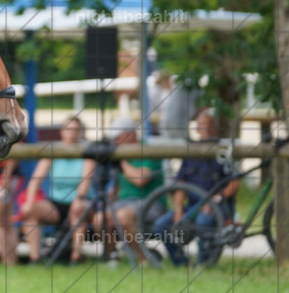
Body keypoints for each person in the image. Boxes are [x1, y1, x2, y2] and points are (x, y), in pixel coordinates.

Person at [152, 109, 238, 266]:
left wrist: (215, 200)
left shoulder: (223, 152)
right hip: (192, 206)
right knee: (161, 226)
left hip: (218, 207)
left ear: (215, 129)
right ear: (197, 130)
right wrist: (178, 210)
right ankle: (182, 263)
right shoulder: (191, 153)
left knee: (203, 220)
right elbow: (181, 185)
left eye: (209, 125)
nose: (205, 129)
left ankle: (203, 264)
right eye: (202, 126)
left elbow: (234, 183)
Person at [18, 116, 95, 263]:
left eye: (75, 130)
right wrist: (28, 203)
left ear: (80, 133)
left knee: (77, 210)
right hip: (56, 202)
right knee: (29, 212)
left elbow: (85, 183)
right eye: (68, 129)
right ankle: (35, 259)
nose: (71, 134)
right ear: (61, 132)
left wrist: (79, 199)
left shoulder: (87, 152)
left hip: (81, 202)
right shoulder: (54, 150)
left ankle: (75, 258)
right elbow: (35, 180)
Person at [102, 115, 165, 264]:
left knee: (123, 216)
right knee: (101, 219)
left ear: (130, 135)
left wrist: (121, 162)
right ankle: (112, 258)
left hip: (151, 202)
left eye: (118, 138)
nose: (114, 142)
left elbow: (140, 180)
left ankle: (144, 258)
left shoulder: (148, 150)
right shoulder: (120, 152)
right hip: (125, 202)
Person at [0, 155, 24, 264]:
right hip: (8, 177)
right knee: (6, 222)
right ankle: (12, 260)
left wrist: (6, 175)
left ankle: (7, 260)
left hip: (6, 178)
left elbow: (15, 147)